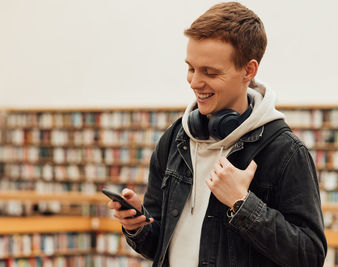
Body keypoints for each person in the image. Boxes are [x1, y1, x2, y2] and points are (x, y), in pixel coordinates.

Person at [108, 2, 327, 266]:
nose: (194, 82)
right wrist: (138, 226)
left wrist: (242, 203)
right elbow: (158, 245)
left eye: (210, 72)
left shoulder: (286, 152)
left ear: (248, 70)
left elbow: (310, 256)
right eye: (191, 68)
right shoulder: (175, 139)